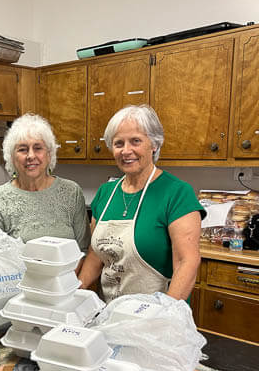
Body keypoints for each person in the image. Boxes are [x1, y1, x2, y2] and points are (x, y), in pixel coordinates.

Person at [78, 105, 205, 302]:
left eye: (135, 141)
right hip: (111, 312)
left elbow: (187, 261)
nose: (126, 151)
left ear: (153, 144)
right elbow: (96, 255)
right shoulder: (105, 193)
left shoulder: (177, 193)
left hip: (159, 316)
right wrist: (76, 291)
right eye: (119, 143)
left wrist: (164, 314)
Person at [0, 113, 91, 253]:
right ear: (11, 156)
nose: (31, 156)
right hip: (18, 276)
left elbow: (83, 250)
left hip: (70, 275)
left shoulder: (72, 193)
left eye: (38, 148)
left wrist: (69, 276)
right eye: (22, 149)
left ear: (49, 154)